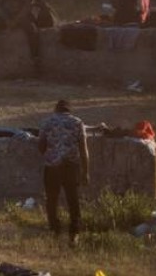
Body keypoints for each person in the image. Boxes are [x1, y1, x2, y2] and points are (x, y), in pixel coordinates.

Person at [37, 100, 90, 245]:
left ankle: (55, 230)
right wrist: (86, 172)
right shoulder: (78, 123)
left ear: (56, 110)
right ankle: (74, 233)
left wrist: (51, 152)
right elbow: (84, 150)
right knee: (73, 199)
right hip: (70, 166)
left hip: (52, 167)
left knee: (52, 200)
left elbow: (41, 146)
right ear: (69, 110)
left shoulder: (47, 122)